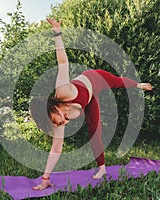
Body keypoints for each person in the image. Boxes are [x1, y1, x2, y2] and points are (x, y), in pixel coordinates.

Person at [30, 18, 153, 191]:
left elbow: (63, 63)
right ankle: (102, 168)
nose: (60, 123)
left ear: (54, 106)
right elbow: (56, 149)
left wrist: (57, 33)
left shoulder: (63, 91)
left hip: (94, 79)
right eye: (56, 124)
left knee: (117, 81)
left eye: (57, 119)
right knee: (95, 132)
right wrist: (45, 178)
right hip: (89, 101)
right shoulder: (57, 120)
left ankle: (139, 84)